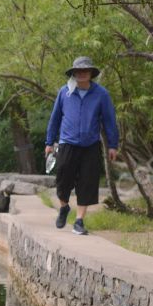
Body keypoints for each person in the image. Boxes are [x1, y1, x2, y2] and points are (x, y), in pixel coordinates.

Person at [45, 56, 119, 235]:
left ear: (91, 73)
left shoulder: (101, 94)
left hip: (90, 145)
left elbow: (110, 121)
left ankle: (79, 221)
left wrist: (112, 145)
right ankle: (64, 207)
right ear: (74, 73)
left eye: (85, 71)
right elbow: (55, 118)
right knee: (62, 179)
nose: (82, 74)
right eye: (78, 71)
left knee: (87, 182)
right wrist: (49, 142)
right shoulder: (65, 92)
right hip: (67, 143)